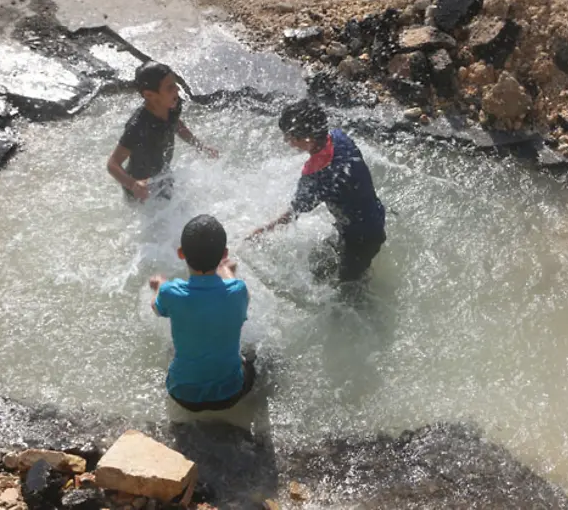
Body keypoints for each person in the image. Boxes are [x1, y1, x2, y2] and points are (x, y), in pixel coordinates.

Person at [250, 100, 386, 282]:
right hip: (372, 216)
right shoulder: (339, 137)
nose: (287, 141)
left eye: (289, 137)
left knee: (346, 288)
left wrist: (263, 230)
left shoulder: (317, 173)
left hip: (360, 237)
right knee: (320, 261)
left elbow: (293, 213)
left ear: (308, 139)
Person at [149, 214, 255, 412]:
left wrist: (158, 285)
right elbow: (247, 296)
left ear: (181, 253)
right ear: (224, 253)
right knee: (254, 353)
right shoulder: (238, 291)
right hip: (229, 396)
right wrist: (227, 271)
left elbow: (156, 308)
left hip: (182, 395)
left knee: (174, 347)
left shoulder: (170, 292)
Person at [106, 61, 218, 203]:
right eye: (170, 87)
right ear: (150, 95)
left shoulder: (172, 105)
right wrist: (133, 185)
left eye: (175, 84)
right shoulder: (138, 127)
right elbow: (113, 164)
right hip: (141, 189)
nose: (177, 89)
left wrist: (199, 145)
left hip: (163, 175)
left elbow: (176, 124)